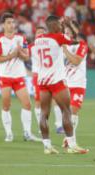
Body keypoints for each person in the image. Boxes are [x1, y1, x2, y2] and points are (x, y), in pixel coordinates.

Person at [34, 15, 87, 154]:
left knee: (44, 114)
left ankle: (47, 146)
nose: (60, 26)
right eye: (59, 24)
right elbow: (75, 40)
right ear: (54, 26)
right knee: (66, 111)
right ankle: (72, 144)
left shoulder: (38, 39)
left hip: (42, 81)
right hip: (56, 81)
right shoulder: (58, 38)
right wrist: (68, 24)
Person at [0, 12, 40, 142]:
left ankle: (27, 133)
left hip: (19, 76)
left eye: (13, 22)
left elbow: (27, 56)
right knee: (6, 105)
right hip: (5, 77)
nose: (11, 25)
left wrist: (20, 53)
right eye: (8, 22)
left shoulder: (21, 38)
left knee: (27, 104)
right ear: (3, 25)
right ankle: (9, 133)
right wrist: (12, 55)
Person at [60, 20, 89, 152]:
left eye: (68, 31)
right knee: (69, 113)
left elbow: (76, 61)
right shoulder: (60, 46)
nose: (66, 33)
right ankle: (72, 143)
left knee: (74, 111)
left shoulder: (82, 45)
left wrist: (65, 49)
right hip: (65, 83)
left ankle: (69, 140)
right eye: (64, 31)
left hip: (78, 83)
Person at [28, 26, 46, 129]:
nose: (40, 35)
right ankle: (41, 125)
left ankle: (59, 125)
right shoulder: (31, 47)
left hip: (50, 75)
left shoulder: (51, 45)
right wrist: (28, 71)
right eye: (38, 33)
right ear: (35, 36)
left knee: (55, 99)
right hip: (37, 76)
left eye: (42, 33)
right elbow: (23, 57)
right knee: (38, 100)